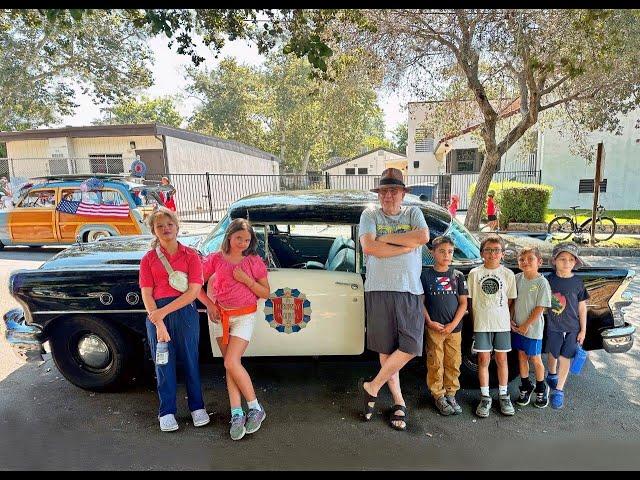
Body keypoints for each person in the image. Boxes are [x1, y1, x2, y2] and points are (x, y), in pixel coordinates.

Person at [358, 167, 430, 431]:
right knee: (386, 351)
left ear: (402, 193)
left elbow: (423, 237)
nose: (388, 196)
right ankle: (399, 402)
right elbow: (369, 247)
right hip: (378, 288)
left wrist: (386, 239)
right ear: (379, 194)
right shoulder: (369, 214)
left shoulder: (414, 212)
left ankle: (372, 386)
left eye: (393, 191)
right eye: (384, 191)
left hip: (409, 288)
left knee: (411, 346)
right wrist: (405, 244)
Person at [197, 218, 271, 441]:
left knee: (231, 361)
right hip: (221, 317)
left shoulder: (253, 261)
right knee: (231, 364)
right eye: (239, 238)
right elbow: (195, 284)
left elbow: (265, 292)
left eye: (247, 240)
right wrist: (209, 304)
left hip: (245, 316)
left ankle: (256, 408)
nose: (243, 243)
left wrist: (246, 280)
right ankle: (236, 412)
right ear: (229, 236)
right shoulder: (216, 259)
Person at [138, 207, 210, 432]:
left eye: (169, 225)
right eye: (160, 226)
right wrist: (158, 322)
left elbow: (193, 292)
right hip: (157, 315)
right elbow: (147, 293)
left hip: (184, 312)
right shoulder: (148, 259)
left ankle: (197, 407)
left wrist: (162, 313)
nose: (166, 229)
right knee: (163, 364)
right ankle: (166, 411)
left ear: (177, 227)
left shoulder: (191, 256)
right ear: (154, 231)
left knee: (191, 360)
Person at [467, 235, 517, 418]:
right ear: (482, 253)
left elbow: (511, 300)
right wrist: (474, 324)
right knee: (483, 360)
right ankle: (485, 396)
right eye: (488, 250)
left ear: (502, 254)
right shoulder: (475, 274)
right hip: (482, 324)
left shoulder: (508, 274)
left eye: (497, 250)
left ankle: (503, 395)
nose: (492, 254)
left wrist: (506, 318)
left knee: (502, 359)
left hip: (501, 324)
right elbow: (470, 301)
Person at [421, 236, 468, 416]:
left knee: (454, 362)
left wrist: (452, 325)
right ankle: (438, 395)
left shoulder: (457, 276)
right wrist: (429, 322)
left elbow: (463, 304)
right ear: (432, 252)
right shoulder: (426, 276)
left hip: (454, 329)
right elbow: (420, 302)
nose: (446, 255)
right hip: (434, 329)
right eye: (442, 251)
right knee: (435, 362)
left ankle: (451, 393)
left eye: (450, 251)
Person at [545, 242, 589, 410]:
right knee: (553, 353)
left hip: (572, 328)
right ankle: (552, 373)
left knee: (565, 357)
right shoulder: (548, 280)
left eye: (571, 259)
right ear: (554, 261)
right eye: (562, 259)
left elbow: (582, 307)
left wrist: (583, 329)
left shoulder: (578, 282)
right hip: (553, 326)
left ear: (575, 262)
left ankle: (559, 390)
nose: (567, 262)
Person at [510, 246, 552, 408]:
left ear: (539, 262)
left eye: (530, 259)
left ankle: (541, 387)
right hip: (517, 327)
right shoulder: (517, 278)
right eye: (522, 259)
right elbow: (513, 301)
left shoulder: (542, 283)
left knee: (535, 358)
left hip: (532, 329)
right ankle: (526, 385)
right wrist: (511, 320)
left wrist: (526, 325)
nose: (525, 262)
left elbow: (540, 308)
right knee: (521, 356)